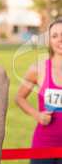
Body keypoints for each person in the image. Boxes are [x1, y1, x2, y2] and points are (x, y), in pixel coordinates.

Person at [16, 19, 62, 164]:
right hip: (44, 145)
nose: (60, 39)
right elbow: (19, 98)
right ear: (49, 41)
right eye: (55, 36)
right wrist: (37, 115)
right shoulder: (38, 69)